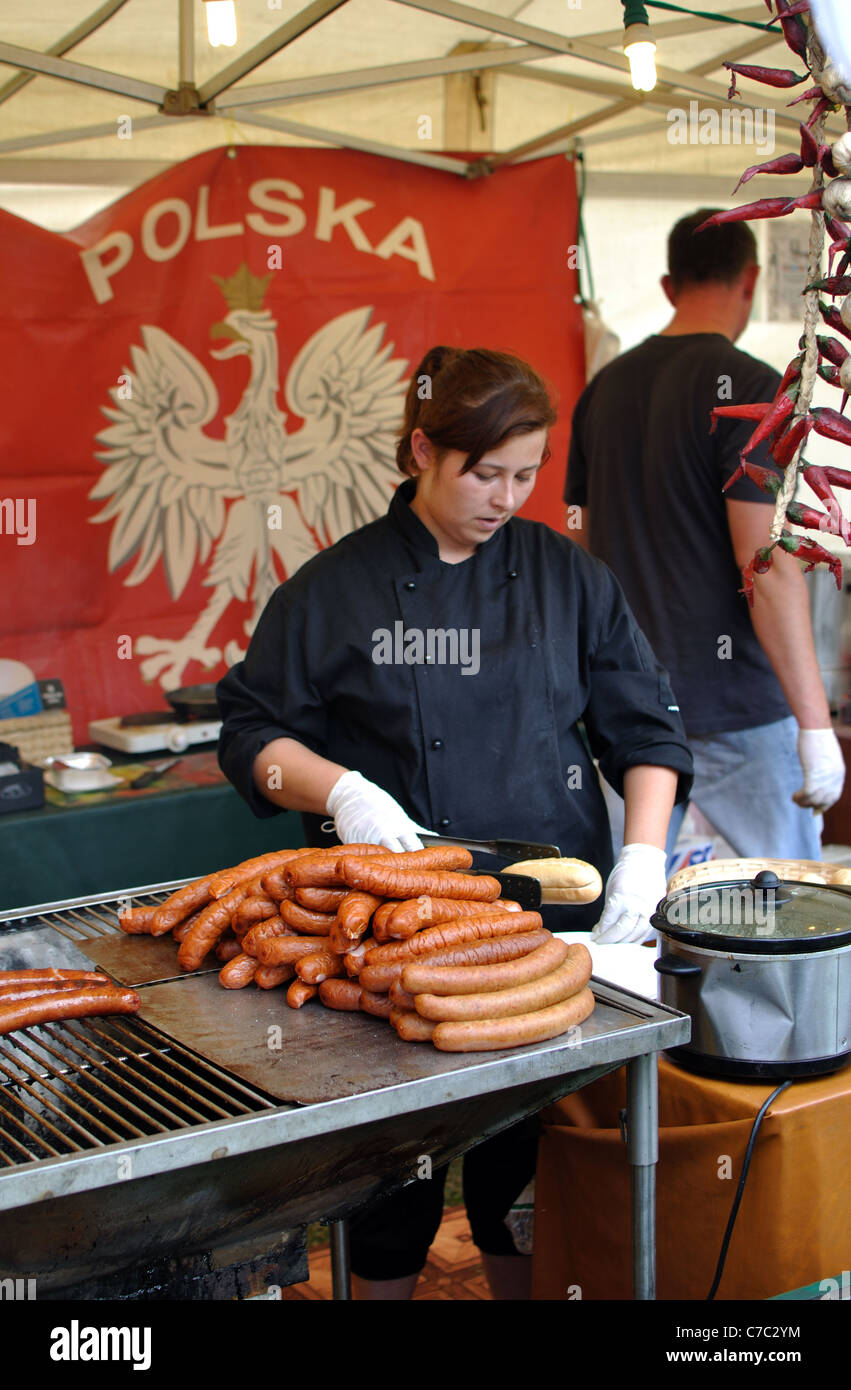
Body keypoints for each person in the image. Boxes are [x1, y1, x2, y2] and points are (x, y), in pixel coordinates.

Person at [217, 345, 692, 1299]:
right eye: (485, 473)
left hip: (546, 932)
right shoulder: (334, 589)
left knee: (524, 1180)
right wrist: (342, 790)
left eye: (526, 474)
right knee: (394, 1190)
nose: (507, 496)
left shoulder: (568, 577)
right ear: (420, 450)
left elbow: (646, 730)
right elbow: (252, 732)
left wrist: (643, 854)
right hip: (398, 935)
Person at [565, 209, 845, 905]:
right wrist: (814, 724)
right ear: (750, 280)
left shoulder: (602, 391)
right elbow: (766, 564)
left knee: (633, 918)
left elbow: (579, 553)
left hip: (628, 710)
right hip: (738, 710)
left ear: (667, 285)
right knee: (791, 919)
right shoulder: (751, 387)